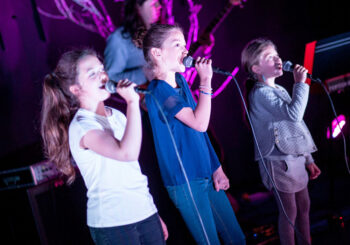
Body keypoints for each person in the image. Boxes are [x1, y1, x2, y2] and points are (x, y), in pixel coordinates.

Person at [40, 49, 168, 245]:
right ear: (75, 89)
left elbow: (133, 171)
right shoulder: (82, 126)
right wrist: (133, 102)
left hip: (144, 213)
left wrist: (152, 211)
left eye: (102, 69)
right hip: (114, 224)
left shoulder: (117, 115)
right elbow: (127, 153)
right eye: (92, 73)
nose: (102, 76)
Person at [143, 23, 246, 245]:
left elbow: (202, 133)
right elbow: (199, 123)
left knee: (236, 238)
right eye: (177, 44)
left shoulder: (180, 82)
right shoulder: (158, 91)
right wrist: (206, 81)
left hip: (206, 173)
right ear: (157, 53)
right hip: (185, 181)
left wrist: (216, 167)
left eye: (184, 44)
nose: (185, 50)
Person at [241, 38, 321, 245]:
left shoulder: (280, 90)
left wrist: (308, 158)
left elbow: (297, 126)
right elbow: (294, 114)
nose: (278, 59)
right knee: (290, 212)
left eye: (277, 54)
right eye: (270, 57)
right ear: (256, 68)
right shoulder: (260, 94)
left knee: (304, 206)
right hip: (278, 161)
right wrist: (300, 83)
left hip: (295, 157)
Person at [104, 0, 162, 85]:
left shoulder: (160, 32)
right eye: (154, 3)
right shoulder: (119, 39)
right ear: (138, 6)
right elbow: (110, 79)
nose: (159, 6)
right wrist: (144, 74)